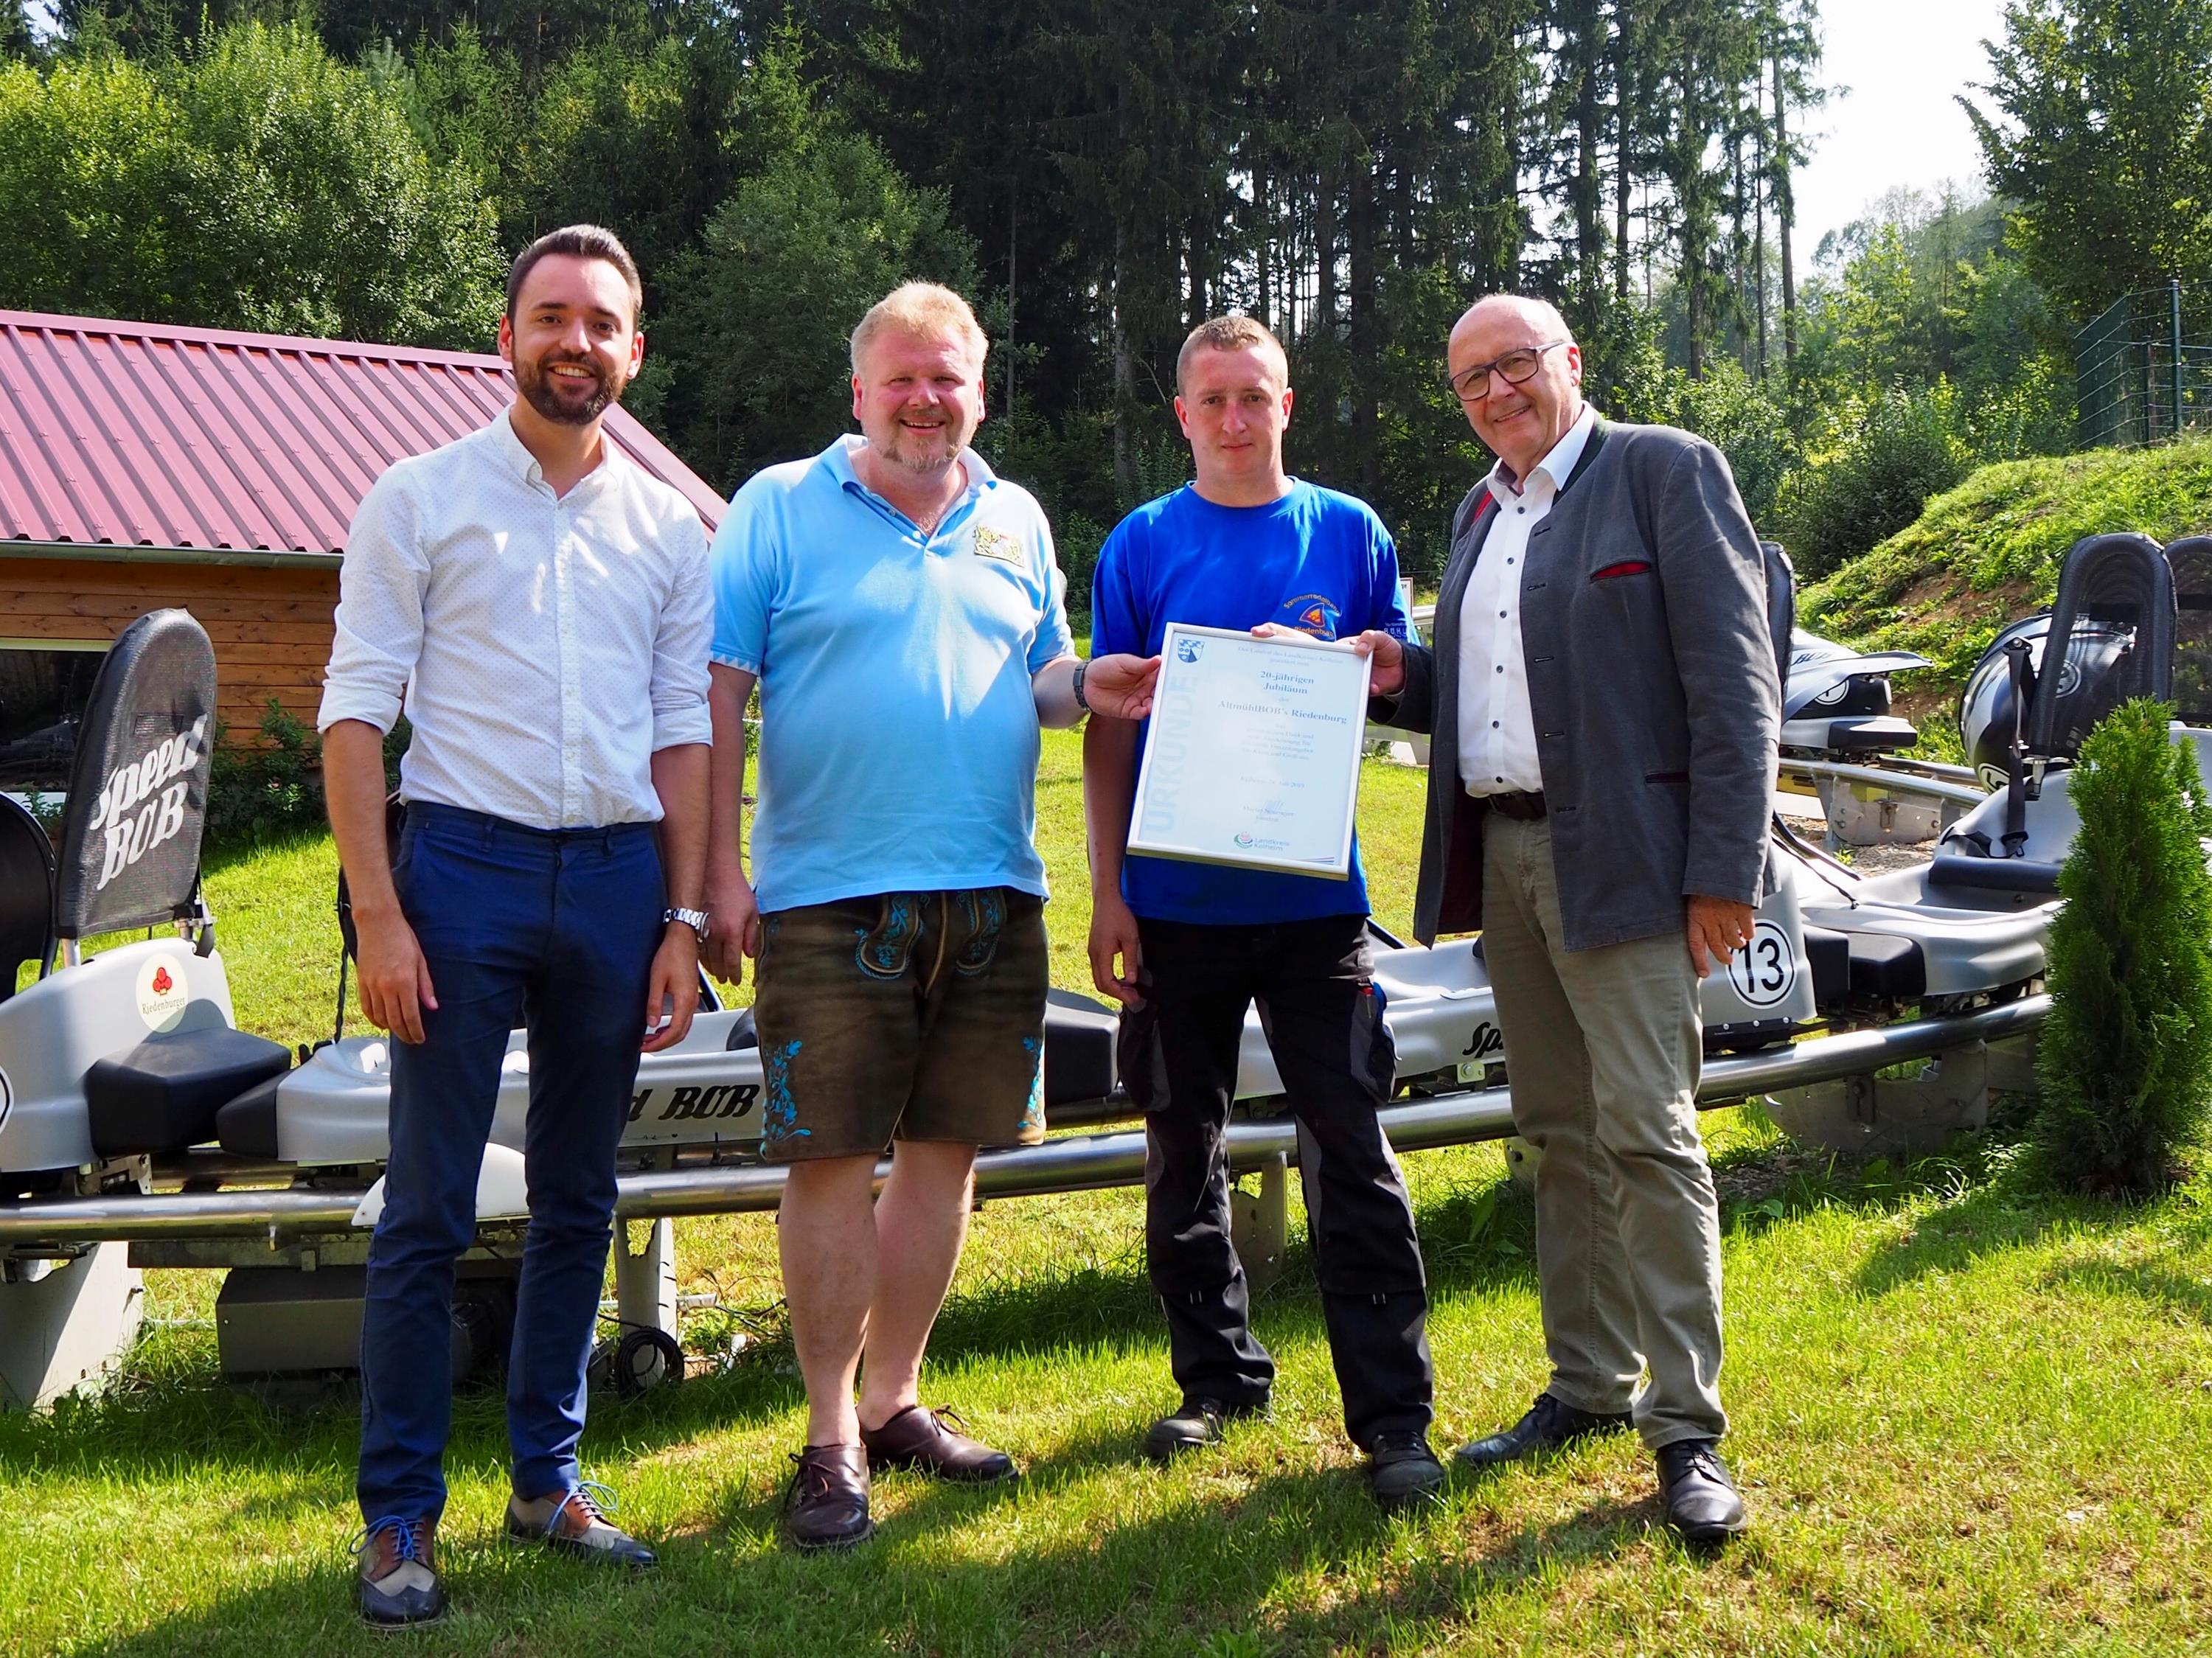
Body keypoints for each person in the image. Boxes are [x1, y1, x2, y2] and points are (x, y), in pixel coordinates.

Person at [701, 282, 1157, 1551]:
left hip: (995, 890)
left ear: (980, 389)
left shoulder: (1014, 516)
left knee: (949, 1155)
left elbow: (1042, 676)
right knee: (833, 1162)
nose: (924, 399)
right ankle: (828, 1435)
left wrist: (1089, 684)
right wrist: (719, 877)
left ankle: (895, 1395)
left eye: (946, 378)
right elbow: (717, 701)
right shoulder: (778, 506)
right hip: (825, 893)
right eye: (900, 377)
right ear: (860, 391)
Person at [320, 225, 711, 1628]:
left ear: (635, 349)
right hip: (461, 873)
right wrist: (380, 912)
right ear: (506, 335)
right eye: (552, 316)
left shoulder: (672, 528)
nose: (577, 342)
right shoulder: (415, 499)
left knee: (579, 1198)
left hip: (615, 878)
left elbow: (681, 731)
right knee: (426, 1209)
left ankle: (547, 1481)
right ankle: (399, 1519)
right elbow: (356, 712)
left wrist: (679, 913)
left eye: (603, 322)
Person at [1368, 294, 1777, 1544]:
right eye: (1470, 381)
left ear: (1569, 363)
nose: (1495, 393)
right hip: (1505, 858)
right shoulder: (1479, 513)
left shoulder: (1661, 470)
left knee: (1648, 1131)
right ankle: (1589, 1385)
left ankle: (1687, 1426)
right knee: (1554, 1129)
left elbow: (1736, 678)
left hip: (1633, 861)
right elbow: (1501, 692)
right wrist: (1405, 679)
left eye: (1515, 365)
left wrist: (1724, 873)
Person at [1082, 316, 1445, 1512]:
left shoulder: (1350, 533)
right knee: (1181, 1142)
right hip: (1176, 903)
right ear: (1182, 413)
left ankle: (1394, 1417)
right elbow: (1109, 726)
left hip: (1315, 904)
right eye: (1214, 400)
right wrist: (1111, 892)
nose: (1236, 419)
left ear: (1288, 404)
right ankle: (1218, 1378)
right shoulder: (1139, 544)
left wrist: (1366, 664)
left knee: (1351, 1140)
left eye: (1257, 396)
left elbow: (1388, 697)